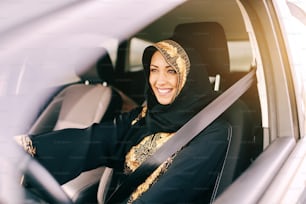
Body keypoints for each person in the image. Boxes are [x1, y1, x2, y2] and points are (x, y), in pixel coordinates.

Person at [16, 39, 230, 203]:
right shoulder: (146, 115)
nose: (160, 81)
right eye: (154, 71)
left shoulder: (211, 131)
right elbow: (96, 141)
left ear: (188, 77)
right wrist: (29, 148)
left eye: (171, 71)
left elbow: (174, 191)